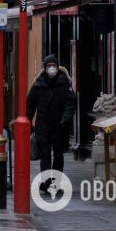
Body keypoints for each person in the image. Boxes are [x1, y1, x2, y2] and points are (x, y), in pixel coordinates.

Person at [26, 54, 77, 193]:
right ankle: (46, 182)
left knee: (58, 156)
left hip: (59, 126)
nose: (52, 68)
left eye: (54, 65)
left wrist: (65, 118)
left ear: (58, 67)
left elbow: (70, 103)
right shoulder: (38, 85)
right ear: (45, 68)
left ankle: (56, 183)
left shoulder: (65, 84)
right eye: (49, 66)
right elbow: (30, 104)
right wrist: (28, 121)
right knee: (45, 156)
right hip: (43, 125)